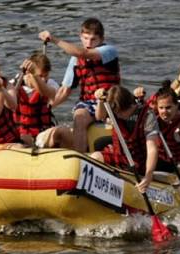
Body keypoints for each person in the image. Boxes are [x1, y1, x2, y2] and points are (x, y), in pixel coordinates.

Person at [39, 17, 120, 153]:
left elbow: (83, 53)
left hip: (110, 100)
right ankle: (81, 157)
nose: (89, 43)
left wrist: (54, 39)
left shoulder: (109, 51)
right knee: (80, 116)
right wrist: (47, 107)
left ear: (101, 39)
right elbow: (65, 90)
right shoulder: (75, 60)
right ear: (80, 37)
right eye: (85, 38)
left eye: (93, 39)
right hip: (89, 103)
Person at [90, 85, 158, 192]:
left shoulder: (147, 115)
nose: (118, 115)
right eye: (116, 112)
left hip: (139, 163)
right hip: (121, 157)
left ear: (130, 105)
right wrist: (100, 101)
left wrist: (148, 176)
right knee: (95, 157)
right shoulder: (115, 111)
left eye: (121, 112)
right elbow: (99, 117)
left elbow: (152, 149)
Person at [13, 52, 59, 146]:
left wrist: (35, 76)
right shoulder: (14, 84)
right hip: (21, 133)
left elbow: (47, 93)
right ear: (27, 73)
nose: (43, 80)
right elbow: (9, 101)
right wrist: (21, 76)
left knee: (62, 132)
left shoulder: (51, 84)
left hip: (42, 132)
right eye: (40, 76)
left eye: (45, 75)